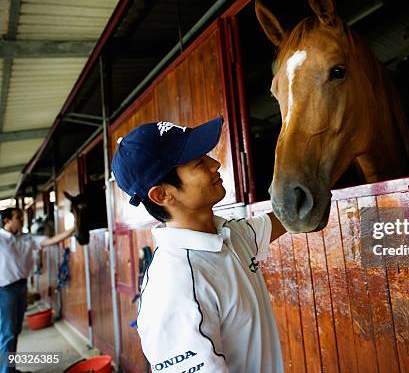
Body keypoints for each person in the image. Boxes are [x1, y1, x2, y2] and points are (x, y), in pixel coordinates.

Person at [112, 117, 287, 373]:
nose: (216, 165)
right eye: (199, 163)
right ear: (162, 194)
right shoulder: (174, 288)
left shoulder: (231, 235)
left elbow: (295, 217)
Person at [0, 207, 75, 372]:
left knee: (15, 330)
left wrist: (72, 229)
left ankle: (9, 368)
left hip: (21, 287)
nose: (21, 219)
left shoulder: (27, 238)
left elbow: (51, 240)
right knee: (8, 332)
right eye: (18, 217)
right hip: (4, 290)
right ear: (6, 221)